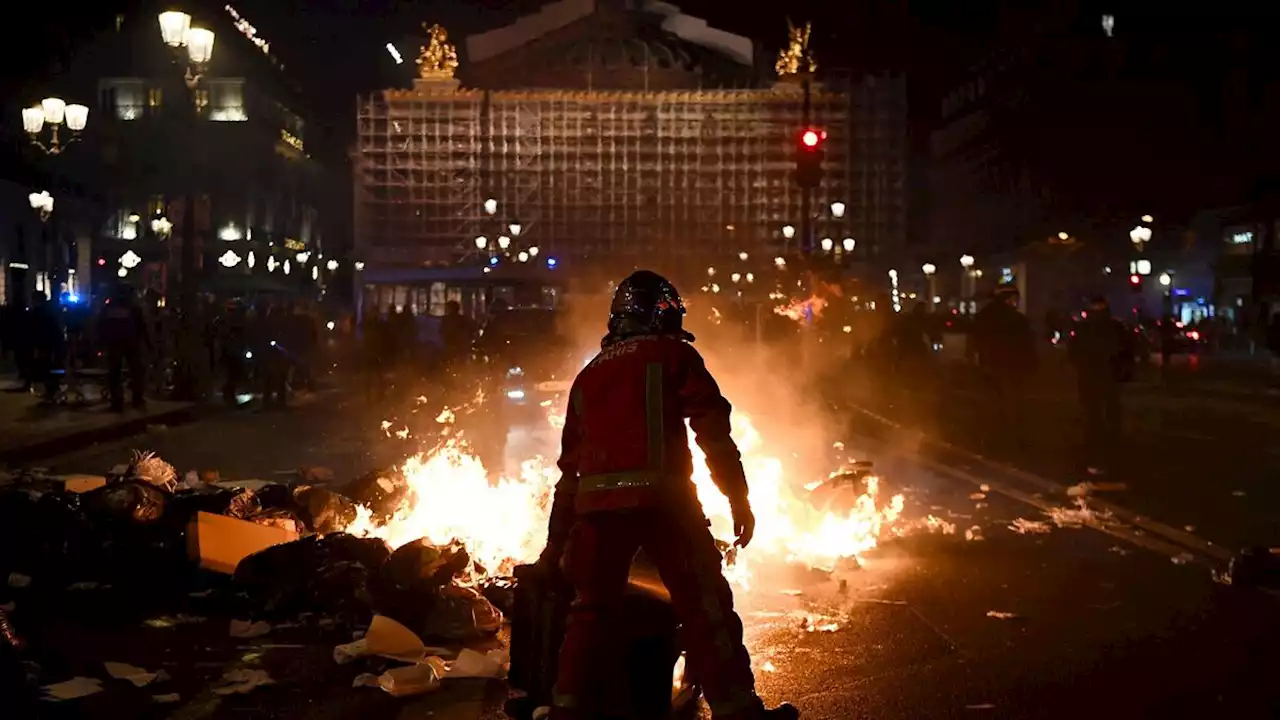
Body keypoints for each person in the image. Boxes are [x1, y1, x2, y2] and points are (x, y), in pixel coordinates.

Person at [540, 270, 799, 720]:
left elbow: (568, 473)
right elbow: (712, 431)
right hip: (666, 505)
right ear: (660, 316)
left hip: (597, 512)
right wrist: (737, 497)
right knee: (705, 607)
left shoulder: (587, 377)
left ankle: (566, 711)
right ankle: (738, 711)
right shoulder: (674, 354)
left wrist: (554, 545)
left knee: (589, 615)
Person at [967, 285, 1037, 453]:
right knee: (1012, 403)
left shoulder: (983, 317)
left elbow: (973, 341)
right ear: (1009, 299)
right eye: (1015, 299)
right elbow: (1026, 345)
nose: (1016, 303)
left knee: (990, 403)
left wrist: (974, 359)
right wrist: (1031, 365)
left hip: (988, 366)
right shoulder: (1016, 319)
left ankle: (988, 440)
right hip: (1010, 367)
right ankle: (1012, 441)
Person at [1069, 297, 1133, 473]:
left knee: (1093, 418)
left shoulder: (1084, 328)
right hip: (1109, 377)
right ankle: (1111, 453)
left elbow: (1073, 353)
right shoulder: (1116, 328)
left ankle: (1095, 454)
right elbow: (1127, 352)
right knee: (1110, 416)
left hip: (1090, 377)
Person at [98, 284, 149, 412]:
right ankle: (137, 399)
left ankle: (117, 402)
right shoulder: (134, 308)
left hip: (114, 344)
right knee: (136, 371)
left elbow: (101, 325)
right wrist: (147, 343)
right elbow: (142, 327)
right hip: (132, 344)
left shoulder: (109, 308)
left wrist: (101, 342)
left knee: (115, 373)